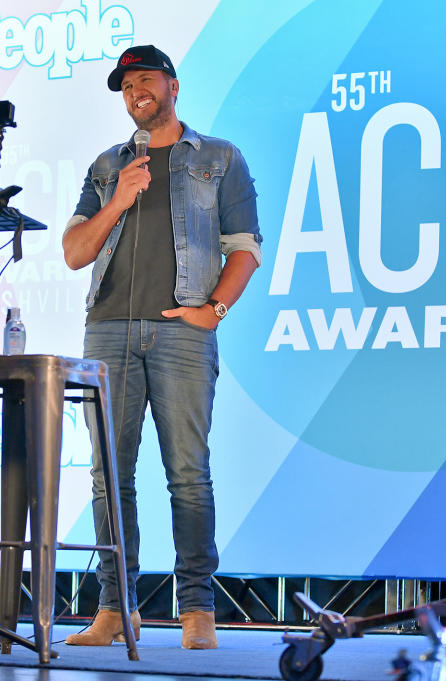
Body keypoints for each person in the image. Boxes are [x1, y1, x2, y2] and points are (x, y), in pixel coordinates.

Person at [62, 44, 261, 650]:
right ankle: (116, 609)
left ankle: (197, 608)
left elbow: (245, 247)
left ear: (173, 84)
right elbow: (74, 252)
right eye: (125, 86)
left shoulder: (220, 159)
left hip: (181, 332)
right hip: (109, 332)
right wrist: (118, 198)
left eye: (144, 80)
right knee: (108, 477)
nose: (134, 92)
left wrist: (214, 311)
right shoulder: (108, 166)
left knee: (187, 475)